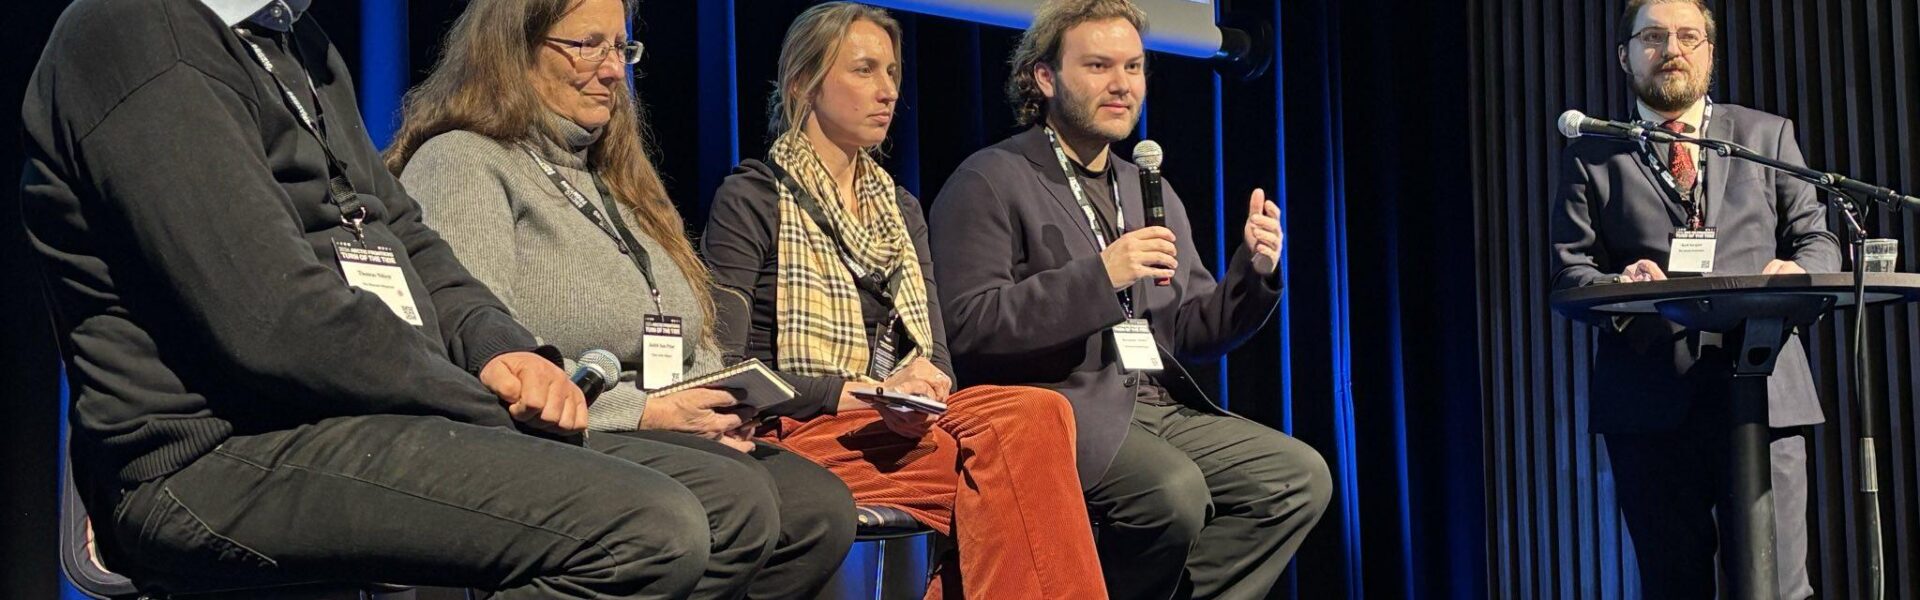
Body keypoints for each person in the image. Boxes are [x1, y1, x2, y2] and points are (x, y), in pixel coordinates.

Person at [19, 0, 770, 597]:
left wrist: (500, 344)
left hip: (352, 420)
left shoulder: (297, 43)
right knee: (650, 526)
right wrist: (479, 404)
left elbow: (400, 231)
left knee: (735, 505)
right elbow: (273, 321)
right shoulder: (134, 30)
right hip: (211, 459)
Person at [386, 0, 858, 596]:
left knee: (817, 511)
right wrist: (644, 411)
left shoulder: (616, 180)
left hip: (662, 428)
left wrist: (721, 404)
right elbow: (473, 358)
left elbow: (691, 330)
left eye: (619, 48)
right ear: (516, 49)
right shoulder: (464, 161)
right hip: (554, 433)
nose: (612, 70)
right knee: (735, 502)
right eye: (588, 45)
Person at [925, 1, 1331, 597]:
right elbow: (968, 324)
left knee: (1295, 478)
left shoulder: (1147, 185)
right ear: (1045, 78)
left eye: (1134, 68)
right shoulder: (990, 178)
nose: (1122, 85)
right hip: (1059, 408)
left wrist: (1253, 271)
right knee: (1174, 493)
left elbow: (1190, 331)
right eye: (1098, 66)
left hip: (1153, 404)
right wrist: (1100, 275)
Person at [701, 3, 1106, 598]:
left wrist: (924, 381)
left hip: (899, 421)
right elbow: (726, 365)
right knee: (997, 475)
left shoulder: (900, 208)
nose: (887, 90)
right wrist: (848, 391)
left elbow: (938, 355)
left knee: (1038, 415)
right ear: (803, 85)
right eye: (864, 70)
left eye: (892, 72)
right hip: (799, 423)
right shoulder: (754, 196)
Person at [1548, 1, 1838, 596]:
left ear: (1710, 52)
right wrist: (1623, 289)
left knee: (1778, 587)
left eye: (1687, 36)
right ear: (1625, 55)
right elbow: (1571, 274)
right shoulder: (1592, 153)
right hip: (1650, 403)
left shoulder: (1765, 136)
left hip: (1764, 392)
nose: (1671, 49)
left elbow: (1817, 238)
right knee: (1673, 586)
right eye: (1653, 36)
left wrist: (1797, 272)